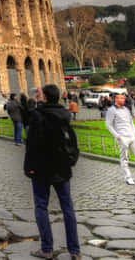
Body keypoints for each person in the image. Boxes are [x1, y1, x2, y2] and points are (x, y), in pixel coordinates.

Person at [24, 84, 81, 260]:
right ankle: (75, 251)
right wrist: (71, 160)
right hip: (62, 167)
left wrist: (28, 167)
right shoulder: (64, 114)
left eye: (40, 94)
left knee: (41, 206)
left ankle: (47, 249)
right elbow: (72, 140)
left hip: (41, 168)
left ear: (45, 97)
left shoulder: (38, 115)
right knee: (67, 208)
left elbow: (32, 144)